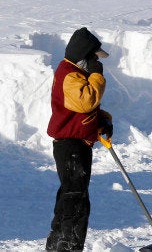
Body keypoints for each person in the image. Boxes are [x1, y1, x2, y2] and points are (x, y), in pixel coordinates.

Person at [46, 27, 113, 251]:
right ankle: (67, 245)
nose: (96, 62)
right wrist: (97, 75)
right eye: (93, 58)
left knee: (72, 194)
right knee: (76, 198)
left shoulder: (74, 75)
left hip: (76, 143)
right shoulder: (70, 75)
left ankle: (57, 244)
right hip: (70, 145)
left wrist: (101, 120)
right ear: (83, 55)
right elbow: (86, 101)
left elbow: (81, 110)